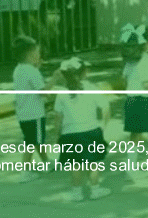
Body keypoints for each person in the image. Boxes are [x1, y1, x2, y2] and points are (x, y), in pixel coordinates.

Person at [53, 58, 111, 201]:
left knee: (75, 165)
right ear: (84, 72)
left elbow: (58, 117)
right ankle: (95, 189)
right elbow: (106, 107)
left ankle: (76, 193)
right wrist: (103, 126)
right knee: (93, 164)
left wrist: (57, 135)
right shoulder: (91, 87)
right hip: (91, 131)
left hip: (70, 134)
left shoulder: (61, 93)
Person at [119, 23, 148, 170]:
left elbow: (123, 80)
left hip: (131, 100)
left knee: (135, 134)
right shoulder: (147, 60)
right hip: (145, 100)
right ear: (147, 43)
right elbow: (147, 84)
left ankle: (131, 165)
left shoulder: (129, 61)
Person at [12, 35, 52, 182]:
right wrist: (55, 78)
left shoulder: (19, 69)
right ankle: (25, 171)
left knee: (35, 140)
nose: (39, 54)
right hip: (35, 114)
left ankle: (46, 162)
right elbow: (43, 92)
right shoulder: (32, 71)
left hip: (23, 114)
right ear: (31, 54)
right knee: (32, 142)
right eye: (37, 51)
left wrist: (37, 68)